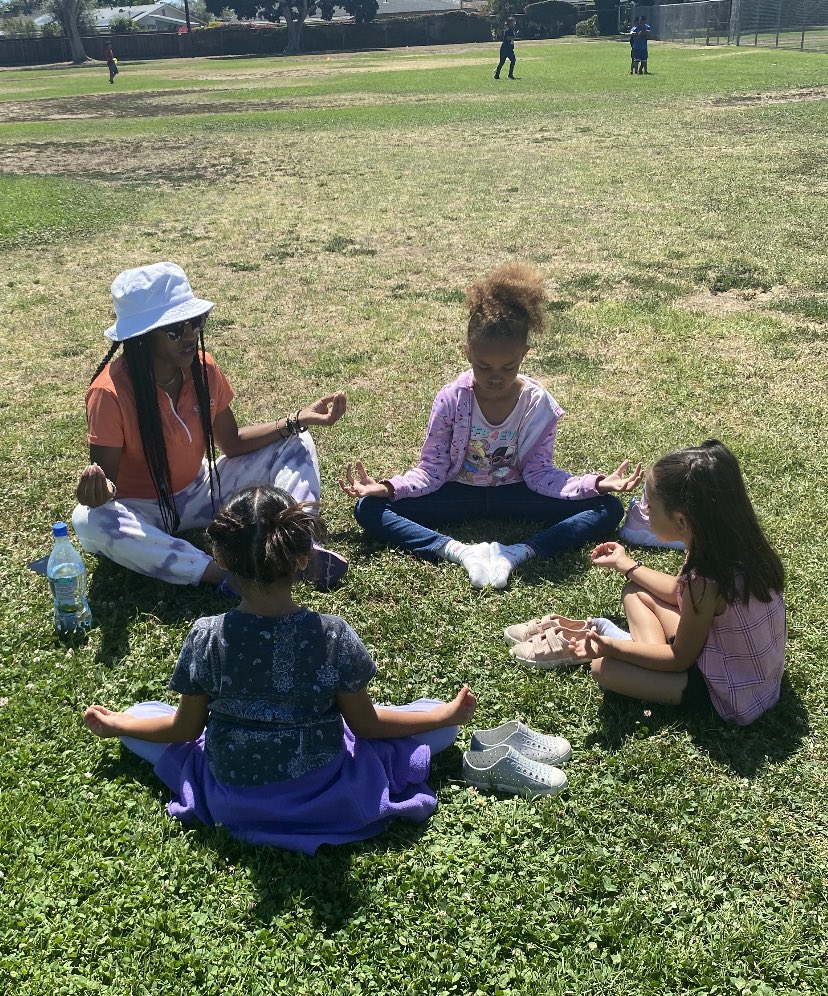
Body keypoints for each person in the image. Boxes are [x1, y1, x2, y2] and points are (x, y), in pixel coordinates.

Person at [83, 486, 477, 853]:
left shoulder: (206, 636)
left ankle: (126, 725)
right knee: (437, 721)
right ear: (303, 558)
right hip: (325, 789)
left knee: (139, 717)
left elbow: (184, 730)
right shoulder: (332, 635)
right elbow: (367, 726)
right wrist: (444, 713)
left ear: (221, 556)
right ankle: (438, 717)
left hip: (232, 798)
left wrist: (118, 724)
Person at [340, 263, 642, 589]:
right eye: (483, 366)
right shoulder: (451, 399)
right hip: (457, 493)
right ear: (468, 352)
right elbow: (431, 470)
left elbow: (541, 473)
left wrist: (594, 483)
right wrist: (387, 488)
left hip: (516, 493)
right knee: (368, 508)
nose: (495, 376)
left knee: (607, 508)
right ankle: (458, 551)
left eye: (508, 366)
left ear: (525, 354)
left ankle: (517, 553)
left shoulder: (537, 403)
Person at [72, 261, 348, 593]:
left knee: (296, 441)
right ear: (142, 338)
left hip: (202, 489)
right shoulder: (109, 392)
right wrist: (100, 493)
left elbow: (230, 443)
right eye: (175, 329)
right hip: (143, 510)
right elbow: (109, 485)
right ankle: (221, 576)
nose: (190, 336)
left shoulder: (203, 369)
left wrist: (296, 419)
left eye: (195, 322)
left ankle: (299, 543)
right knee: (91, 520)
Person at [564, 440, 786, 724]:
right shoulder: (735, 547)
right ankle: (646, 656)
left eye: (650, 506)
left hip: (726, 694)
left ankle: (635, 652)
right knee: (636, 592)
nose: (644, 510)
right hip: (751, 670)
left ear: (681, 521)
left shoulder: (704, 580)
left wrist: (611, 648)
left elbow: (680, 658)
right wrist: (626, 565)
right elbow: (676, 593)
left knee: (602, 669)